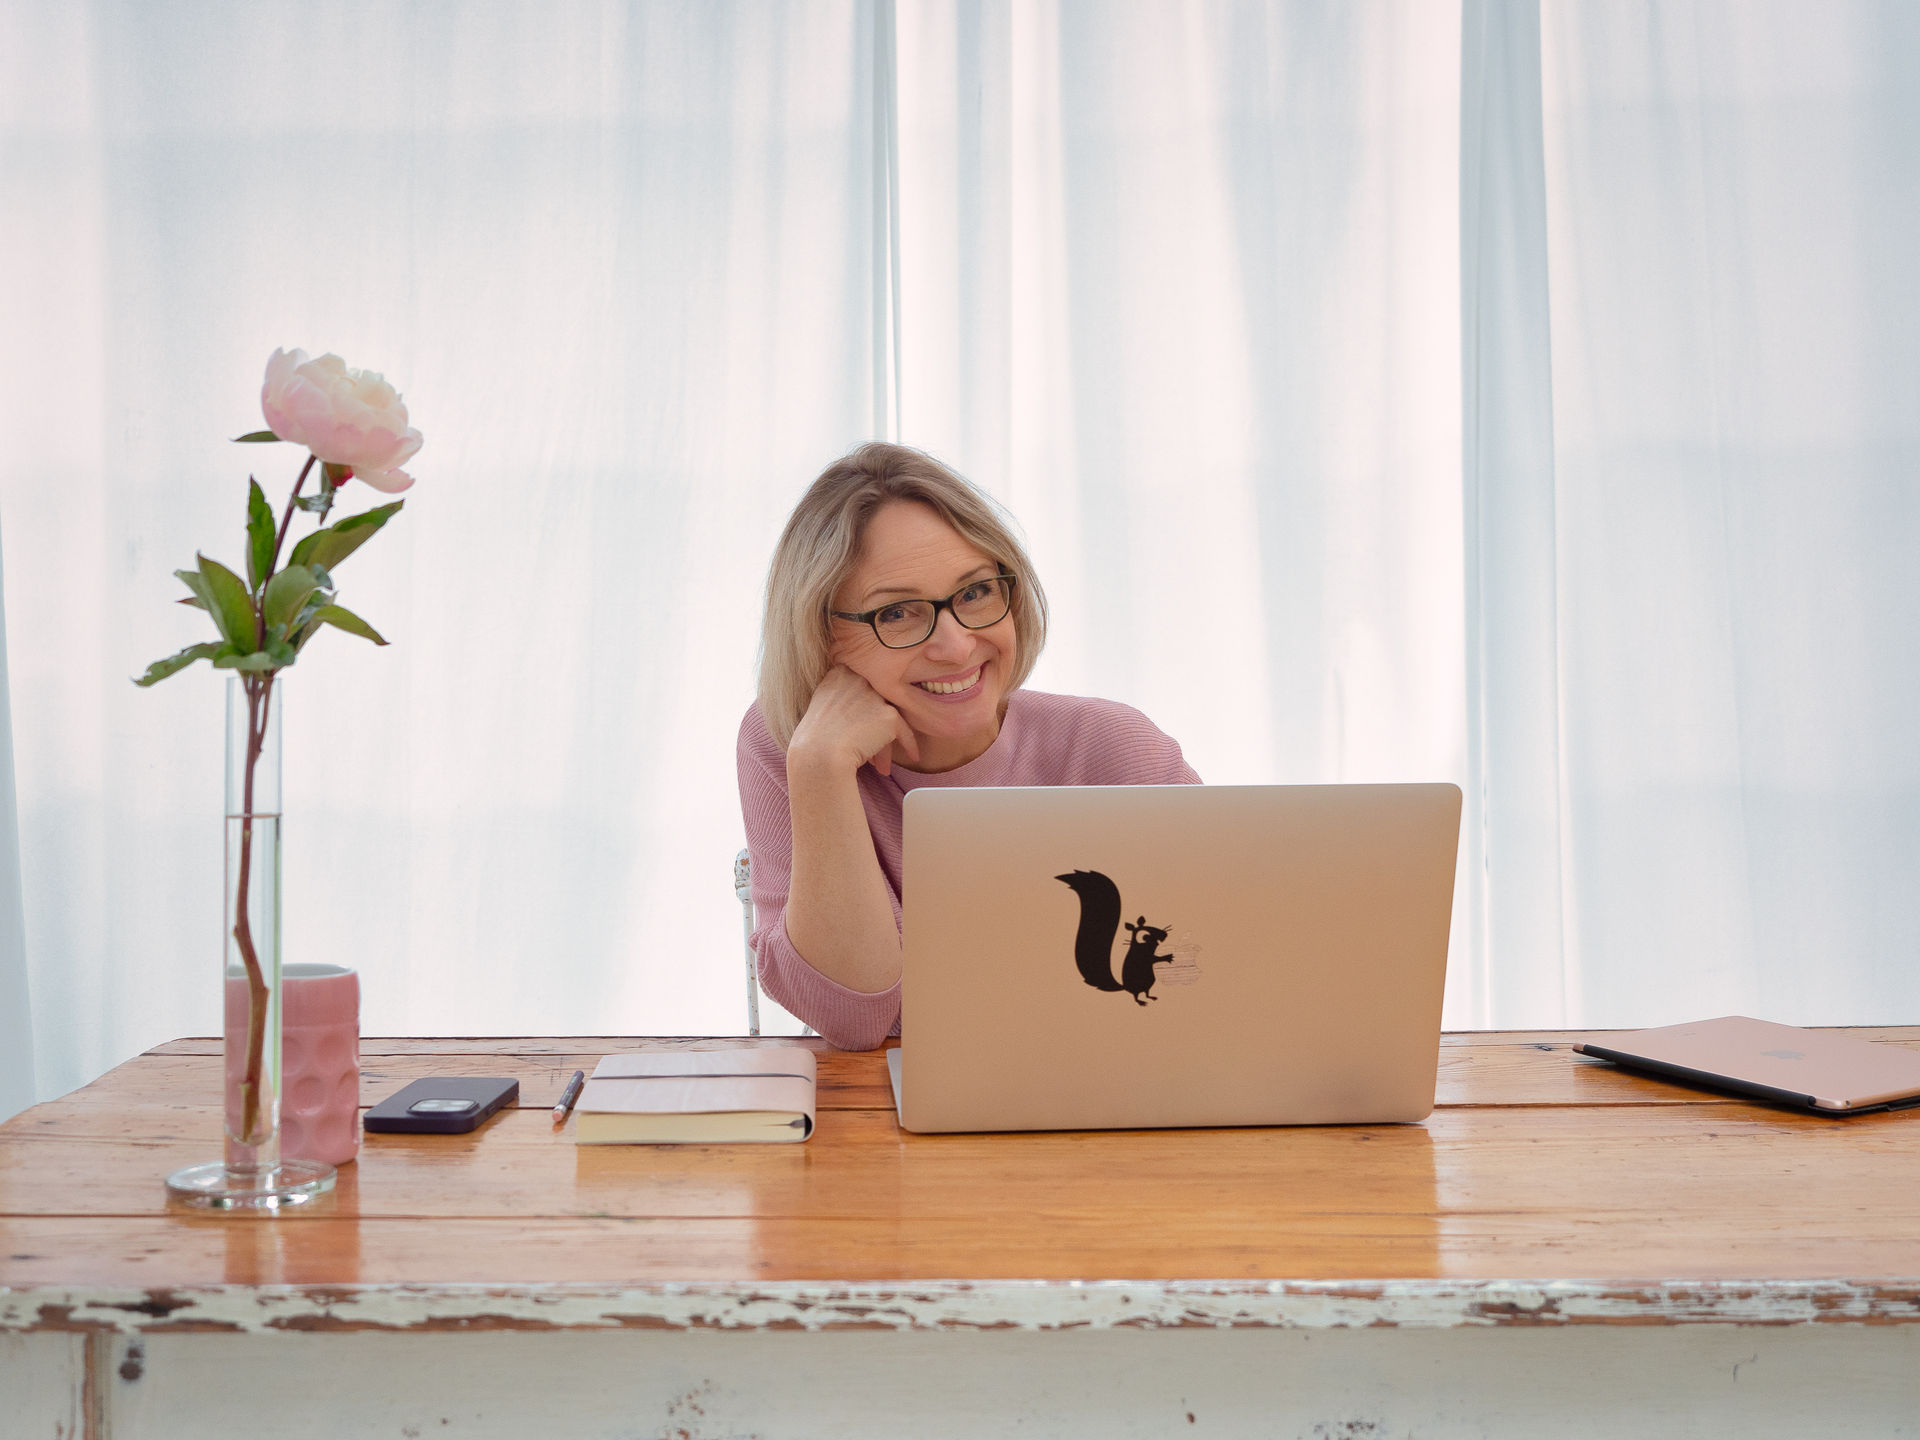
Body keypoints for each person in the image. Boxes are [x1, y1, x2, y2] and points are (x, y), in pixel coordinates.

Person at [737, 443, 1199, 1049]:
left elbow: (1216, 978)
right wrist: (821, 768)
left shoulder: (1115, 749)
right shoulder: (790, 746)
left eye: (976, 592)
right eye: (898, 612)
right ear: (822, 638)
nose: (956, 647)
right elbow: (854, 1021)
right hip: (889, 1127)